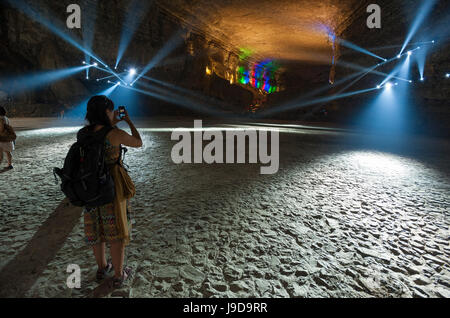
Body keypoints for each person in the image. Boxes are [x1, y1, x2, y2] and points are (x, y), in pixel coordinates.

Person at [80, 95, 142, 287]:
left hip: (89, 188)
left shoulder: (83, 133)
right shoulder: (114, 134)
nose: (113, 112)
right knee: (116, 231)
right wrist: (128, 121)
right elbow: (138, 142)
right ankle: (118, 275)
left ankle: (102, 267)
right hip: (111, 186)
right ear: (105, 111)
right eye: (110, 110)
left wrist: (110, 122)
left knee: (96, 229)